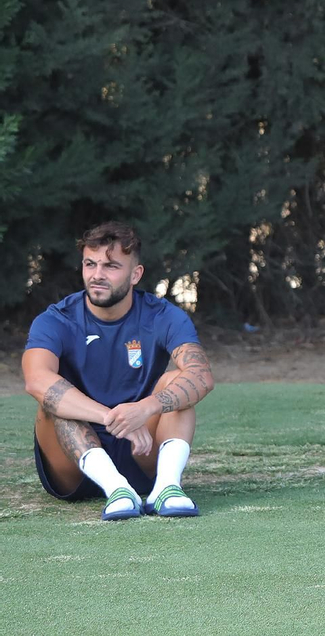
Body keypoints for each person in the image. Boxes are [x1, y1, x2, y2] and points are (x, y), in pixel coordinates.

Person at [22, 222, 215, 520]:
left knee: (177, 384)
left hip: (142, 450)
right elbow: (36, 380)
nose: (97, 275)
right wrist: (112, 418)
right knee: (54, 400)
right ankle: (116, 489)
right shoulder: (56, 319)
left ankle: (167, 487)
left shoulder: (162, 315)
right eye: (90, 264)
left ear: (135, 274)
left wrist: (145, 408)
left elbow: (201, 375)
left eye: (111, 266)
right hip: (74, 461)